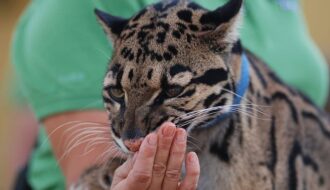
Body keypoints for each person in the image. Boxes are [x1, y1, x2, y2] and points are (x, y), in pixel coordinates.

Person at [11, 0, 329, 189]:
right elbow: (98, 168)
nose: (131, 133)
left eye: (172, 90)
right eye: (116, 93)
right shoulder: (72, 9)